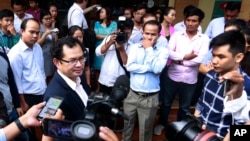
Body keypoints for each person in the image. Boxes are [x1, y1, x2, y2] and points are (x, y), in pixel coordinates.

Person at [154, 7, 209, 136]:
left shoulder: (204, 39)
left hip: (191, 79)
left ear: (199, 22)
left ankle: (180, 128)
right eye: (188, 20)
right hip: (172, 76)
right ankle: (162, 123)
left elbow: (200, 58)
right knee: (166, 103)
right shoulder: (177, 35)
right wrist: (186, 57)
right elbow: (169, 53)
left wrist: (179, 60)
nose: (190, 23)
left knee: (184, 107)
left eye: (194, 21)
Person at [194, 30, 250, 140]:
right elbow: (202, 102)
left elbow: (244, 125)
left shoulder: (247, 85)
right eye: (213, 55)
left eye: (221, 57)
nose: (214, 61)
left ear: (238, 57)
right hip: (201, 134)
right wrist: (195, 123)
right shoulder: (210, 74)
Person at [122, 20, 168, 141]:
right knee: (127, 127)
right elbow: (129, 66)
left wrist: (149, 50)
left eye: (153, 34)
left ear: (159, 35)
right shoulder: (134, 47)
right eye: (147, 33)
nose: (149, 37)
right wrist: (149, 68)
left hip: (150, 98)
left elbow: (157, 69)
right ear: (142, 33)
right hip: (132, 95)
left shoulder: (163, 50)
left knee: (146, 132)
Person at [43, 36, 90, 121]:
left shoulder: (78, 77)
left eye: (81, 58)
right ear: (57, 62)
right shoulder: (53, 97)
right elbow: (50, 128)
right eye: (72, 61)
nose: (79, 64)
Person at [8, 18, 46, 112]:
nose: (35, 36)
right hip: (28, 97)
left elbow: (41, 70)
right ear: (22, 31)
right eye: (31, 32)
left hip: (42, 93)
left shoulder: (38, 47)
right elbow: (16, 81)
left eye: (37, 33)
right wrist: (22, 103)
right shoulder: (16, 53)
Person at [95, 18, 133, 94]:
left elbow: (128, 65)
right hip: (105, 79)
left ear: (131, 32)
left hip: (119, 83)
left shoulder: (132, 45)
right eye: (123, 32)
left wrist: (122, 50)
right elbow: (98, 52)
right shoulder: (110, 38)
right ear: (118, 30)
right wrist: (109, 43)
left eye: (127, 33)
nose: (125, 35)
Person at [93, 6, 117, 92]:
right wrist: (108, 37)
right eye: (100, 12)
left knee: (107, 66)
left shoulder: (114, 24)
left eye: (102, 12)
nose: (100, 14)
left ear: (107, 14)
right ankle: (98, 86)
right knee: (97, 68)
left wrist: (108, 38)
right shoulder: (97, 23)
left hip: (110, 47)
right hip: (99, 46)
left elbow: (115, 34)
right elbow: (96, 35)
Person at [37, 10, 58, 84]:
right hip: (44, 54)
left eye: (49, 18)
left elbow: (56, 42)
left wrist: (55, 34)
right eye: (46, 19)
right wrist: (45, 35)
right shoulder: (39, 29)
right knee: (45, 75)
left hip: (52, 54)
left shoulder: (52, 28)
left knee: (52, 74)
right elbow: (37, 43)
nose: (48, 20)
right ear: (41, 20)